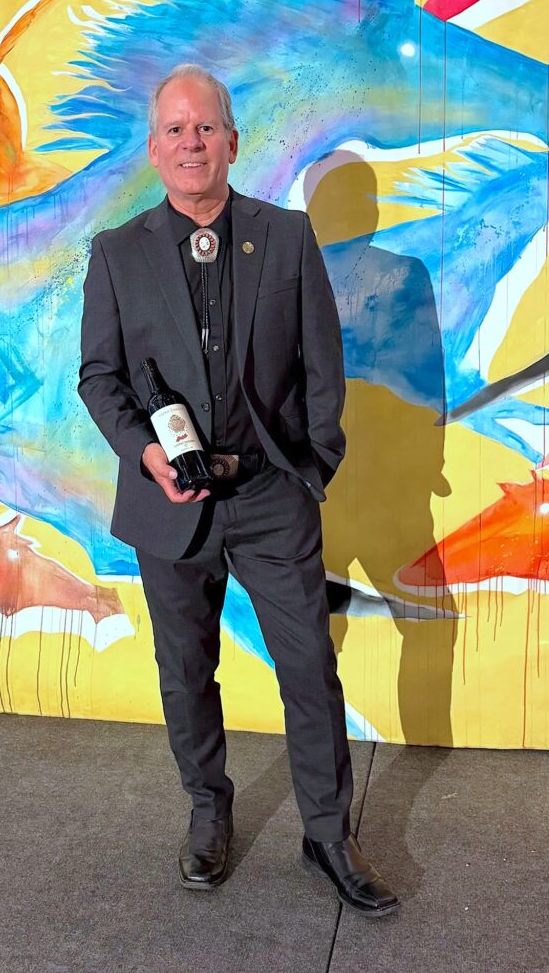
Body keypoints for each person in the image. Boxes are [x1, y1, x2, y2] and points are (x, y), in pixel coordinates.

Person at [78, 63, 399, 916]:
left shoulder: (286, 237)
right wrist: (145, 453)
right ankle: (207, 813)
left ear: (231, 141)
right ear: (154, 150)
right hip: (169, 503)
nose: (191, 142)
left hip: (268, 496)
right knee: (186, 671)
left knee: (309, 668)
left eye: (205, 127)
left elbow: (322, 363)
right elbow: (99, 377)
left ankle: (327, 833)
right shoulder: (116, 253)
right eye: (175, 130)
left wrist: (312, 466)